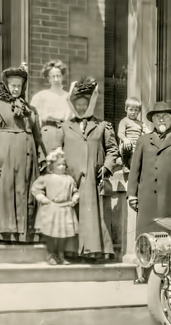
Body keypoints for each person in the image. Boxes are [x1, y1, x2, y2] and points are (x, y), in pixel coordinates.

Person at [0, 66, 46, 243]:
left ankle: (23, 234)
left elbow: (37, 137)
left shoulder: (31, 110)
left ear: (23, 87)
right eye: (12, 85)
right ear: (6, 85)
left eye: (18, 86)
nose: (15, 89)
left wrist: (42, 157)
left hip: (28, 160)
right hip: (5, 159)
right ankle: (2, 232)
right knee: (2, 194)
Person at [127, 101, 171, 284]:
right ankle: (144, 273)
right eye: (158, 116)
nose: (161, 119)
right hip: (147, 199)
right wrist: (132, 194)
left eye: (165, 116)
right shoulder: (143, 141)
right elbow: (135, 169)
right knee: (146, 235)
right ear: (152, 120)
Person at [59, 77, 121, 261]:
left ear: (90, 105)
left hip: (94, 180)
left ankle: (94, 251)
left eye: (84, 104)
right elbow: (57, 151)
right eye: (77, 104)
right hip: (71, 180)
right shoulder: (64, 127)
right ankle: (71, 251)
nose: (80, 108)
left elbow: (112, 150)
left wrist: (107, 167)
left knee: (94, 215)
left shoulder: (103, 126)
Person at [31, 148, 79, 265]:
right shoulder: (47, 178)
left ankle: (61, 254)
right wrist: (43, 199)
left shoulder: (69, 179)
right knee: (52, 235)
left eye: (63, 164)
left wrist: (74, 199)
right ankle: (51, 254)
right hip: (52, 209)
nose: (62, 167)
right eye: (59, 165)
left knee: (63, 235)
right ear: (51, 166)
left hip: (65, 209)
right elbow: (36, 189)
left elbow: (75, 191)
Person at [30, 60, 74, 152]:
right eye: (53, 76)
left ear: (62, 76)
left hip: (65, 134)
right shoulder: (40, 97)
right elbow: (34, 122)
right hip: (47, 134)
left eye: (58, 76)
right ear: (48, 78)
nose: (56, 79)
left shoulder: (69, 98)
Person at [117, 97, 149, 169]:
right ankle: (125, 164)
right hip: (127, 146)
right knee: (129, 149)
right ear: (126, 109)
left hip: (136, 147)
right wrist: (125, 139)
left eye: (136, 110)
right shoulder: (124, 121)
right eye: (131, 110)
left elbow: (148, 132)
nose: (133, 112)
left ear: (139, 111)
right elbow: (120, 133)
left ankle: (132, 167)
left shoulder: (141, 123)